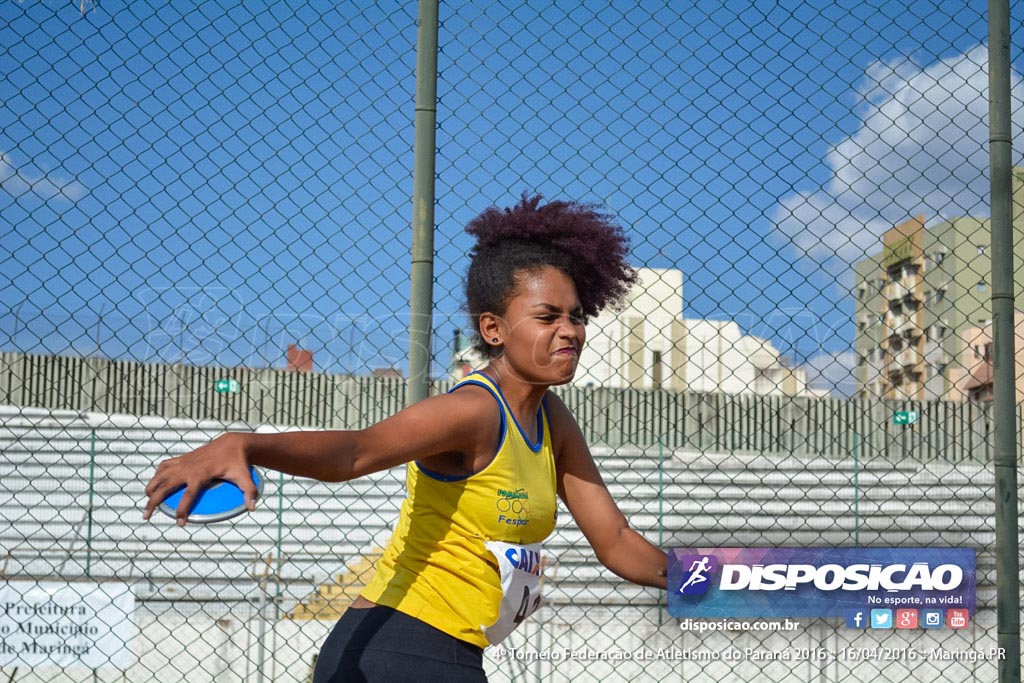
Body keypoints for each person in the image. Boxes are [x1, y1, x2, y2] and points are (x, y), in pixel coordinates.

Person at [143, 194, 668, 682]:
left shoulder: (554, 421)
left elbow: (618, 544)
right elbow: (357, 451)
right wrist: (248, 443)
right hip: (394, 649)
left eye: (576, 316)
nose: (571, 331)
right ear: (493, 330)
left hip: (449, 654)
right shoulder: (474, 410)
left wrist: (735, 585)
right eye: (548, 316)